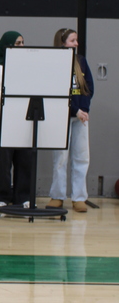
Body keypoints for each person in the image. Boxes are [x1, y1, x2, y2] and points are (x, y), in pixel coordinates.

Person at [0, 31, 33, 213]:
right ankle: (2, 197)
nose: (21, 47)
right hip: (3, 123)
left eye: (22, 43)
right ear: (7, 45)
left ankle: (23, 197)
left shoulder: (26, 67)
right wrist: (7, 93)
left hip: (25, 122)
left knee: (25, 161)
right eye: (17, 43)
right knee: (4, 164)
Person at [48, 27, 94, 213]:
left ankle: (79, 197)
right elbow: (56, 92)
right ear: (62, 43)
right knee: (60, 158)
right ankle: (57, 196)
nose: (76, 44)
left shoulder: (81, 61)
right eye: (72, 41)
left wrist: (84, 109)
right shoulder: (55, 62)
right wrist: (75, 110)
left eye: (76, 40)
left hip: (81, 117)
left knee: (81, 157)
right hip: (63, 117)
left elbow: (89, 87)